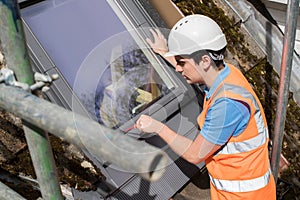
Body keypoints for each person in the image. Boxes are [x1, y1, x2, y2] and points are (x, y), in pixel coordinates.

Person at [135, 14, 276, 199]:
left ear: (205, 61)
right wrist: (165, 53)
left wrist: (158, 127)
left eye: (181, 62)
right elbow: (199, 74)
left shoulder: (227, 106)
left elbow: (195, 154)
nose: (178, 68)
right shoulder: (227, 74)